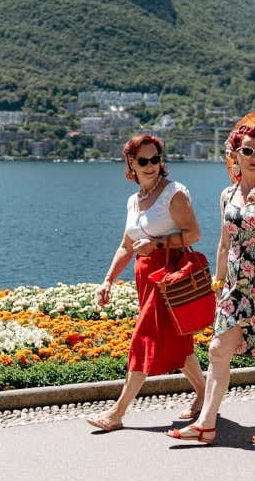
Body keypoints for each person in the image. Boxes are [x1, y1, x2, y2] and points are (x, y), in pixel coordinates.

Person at [167, 124, 255, 445]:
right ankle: (206, 423)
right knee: (217, 350)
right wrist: (218, 281)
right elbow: (225, 243)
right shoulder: (227, 194)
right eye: (247, 151)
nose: (254, 157)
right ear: (235, 155)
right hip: (235, 286)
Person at [85, 134, 206, 432]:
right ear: (131, 163)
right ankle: (205, 394)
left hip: (168, 278)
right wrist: (108, 280)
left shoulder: (173, 193)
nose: (151, 165)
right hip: (147, 281)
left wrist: (158, 244)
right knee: (178, 341)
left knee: (143, 339)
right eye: (143, 160)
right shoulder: (134, 201)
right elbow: (126, 246)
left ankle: (117, 412)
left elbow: (194, 234)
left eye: (155, 159)